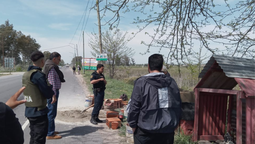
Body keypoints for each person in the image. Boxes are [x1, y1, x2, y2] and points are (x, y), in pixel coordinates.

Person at [127, 54, 182, 144]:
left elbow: (134, 106)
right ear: (161, 66)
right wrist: (176, 123)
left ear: (148, 66)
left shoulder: (141, 83)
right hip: (167, 130)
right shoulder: (171, 82)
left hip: (145, 131)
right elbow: (178, 104)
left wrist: (132, 124)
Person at [22, 51, 56, 144]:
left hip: (30, 110)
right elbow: (48, 93)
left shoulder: (26, 74)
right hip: (39, 112)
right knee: (39, 139)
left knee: (34, 136)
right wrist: (52, 92)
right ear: (42, 61)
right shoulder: (38, 75)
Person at [43, 52, 65, 139]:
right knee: (51, 113)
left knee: (51, 112)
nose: (59, 61)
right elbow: (52, 83)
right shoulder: (51, 67)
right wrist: (54, 95)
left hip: (52, 93)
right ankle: (50, 134)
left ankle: (50, 129)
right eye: (59, 59)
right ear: (54, 59)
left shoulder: (50, 66)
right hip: (53, 93)